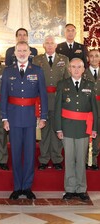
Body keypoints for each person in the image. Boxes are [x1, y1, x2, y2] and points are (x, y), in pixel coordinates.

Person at [0, 41, 48, 200]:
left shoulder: (37, 70)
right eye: (19, 50)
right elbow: (4, 95)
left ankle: (27, 187)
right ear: (14, 52)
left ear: (29, 53)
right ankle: (17, 187)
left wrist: (43, 116)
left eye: (24, 50)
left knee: (29, 153)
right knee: (15, 152)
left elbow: (43, 95)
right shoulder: (8, 71)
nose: (21, 53)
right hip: (13, 117)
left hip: (30, 117)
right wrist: (4, 117)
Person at [55, 58, 98, 201]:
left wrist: (94, 128)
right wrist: (58, 128)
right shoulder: (62, 85)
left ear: (83, 69)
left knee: (80, 159)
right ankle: (69, 188)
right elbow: (57, 109)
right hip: (67, 128)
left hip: (83, 128)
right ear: (69, 69)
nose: (76, 69)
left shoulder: (90, 85)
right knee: (69, 159)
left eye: (79, 67)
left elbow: (94, 109)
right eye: (73, 67)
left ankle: (81, 189)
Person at [32, 35, 70, 170]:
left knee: (57, 129)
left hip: (58, 100)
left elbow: (68, 80)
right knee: (44, 130)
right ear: (43, 45)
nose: (49, 45)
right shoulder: (37, 60)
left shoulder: (64, 60)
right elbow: (33, 80)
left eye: (51, 43)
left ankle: (57, 159)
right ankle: (43, 159)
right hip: (42, 100)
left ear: (56, 45)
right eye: (47, 43)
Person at [83, 49, 100, 170]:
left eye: (97, 56)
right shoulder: (83, 73)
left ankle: (94, 159)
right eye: (91, 56)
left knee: (97, 136)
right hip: (88, 109)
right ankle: (87, 160)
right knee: (87, 134)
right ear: (88, 58)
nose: (94, 58)